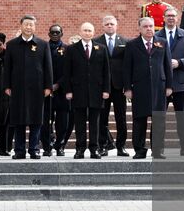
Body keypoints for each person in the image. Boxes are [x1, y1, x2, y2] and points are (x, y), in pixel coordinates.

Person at [122, 16, 172, 159]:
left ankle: (157, 150)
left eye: (151, 26)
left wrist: (169, 85)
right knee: (139, 120)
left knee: (158, 120)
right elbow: (127, 68)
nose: (149, 29)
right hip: (139, 88)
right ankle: (139, 150)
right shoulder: (132, 45)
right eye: (145, 26)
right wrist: (127, 88)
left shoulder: (162, 42)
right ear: (139, 28)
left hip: (159, 87)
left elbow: (167, 65)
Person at [4, 15, 54, 159]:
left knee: (36, 120)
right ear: (21, 26)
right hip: (17, 88)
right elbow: (8, 67)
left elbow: (48, 67)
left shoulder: (42, 44)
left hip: (37, 89)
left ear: (35, 27)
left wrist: (48, 87)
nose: (28, 27)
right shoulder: (12, 44)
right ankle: (19, 150)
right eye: (26, 24)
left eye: (31, 25)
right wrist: (7, 85)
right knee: (18, 119)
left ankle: (34, 149)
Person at [65, 22, 112, 158]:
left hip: (97, 91)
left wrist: (106, 90)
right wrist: (68, 90)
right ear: (80, 32)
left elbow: (106, 71)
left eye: (89, 30)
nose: (87, 33)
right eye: (85, 30)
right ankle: (80, 149)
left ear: (93, 32)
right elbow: (67, 72)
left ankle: (94, 148)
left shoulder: (101, 48)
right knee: (79, 122)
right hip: (78, 91)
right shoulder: (72, 49)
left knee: (95, 123)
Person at [159, 6, 184, 154]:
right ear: (164, 18)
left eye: (173, 15)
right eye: (168, 16)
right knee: (160, 118)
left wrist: (179, 63)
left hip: (180, 83)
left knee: (182, 118)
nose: (171, 18)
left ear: (177, 18)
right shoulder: (157, 36)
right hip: (161, 83)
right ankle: (158, 148)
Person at [98, 15, 128, 156]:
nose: (109, 26)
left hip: (119, 86)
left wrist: (127, 86)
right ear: (103, 26)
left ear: (116, 25)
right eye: (107, 24)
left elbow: (129, 66)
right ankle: (103, 145)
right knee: (102, 118)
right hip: (102, 87)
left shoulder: (125, 42)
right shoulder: (96, 42)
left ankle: (121, 146)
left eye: (112, 24)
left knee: (120, 117)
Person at [44, 24, 71, 156]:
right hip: (46, 91)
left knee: (63, 122)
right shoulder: (42, 47)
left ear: (62, 34)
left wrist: (58, 84)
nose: (55, 35)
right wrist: (48, 85)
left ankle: (60, 145)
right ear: (48, 34)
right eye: (52, 32)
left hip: (62, 91)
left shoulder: (67, 49)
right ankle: (47, 146)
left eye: (57, 32)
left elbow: (69, 71)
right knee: (46, 120)